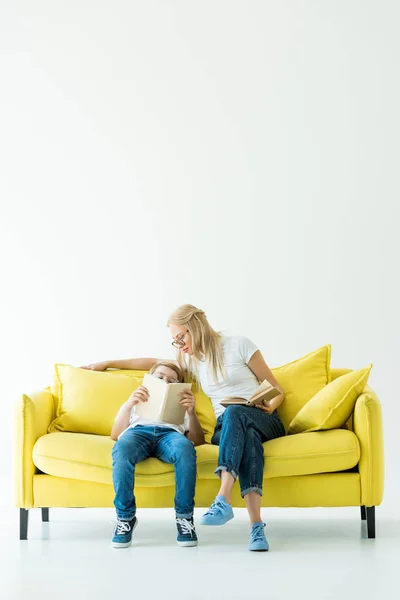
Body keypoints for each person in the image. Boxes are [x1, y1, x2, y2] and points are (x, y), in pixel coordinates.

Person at [166, 304, 286, 552]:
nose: (180, 345)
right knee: (243, 432)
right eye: (175, 341)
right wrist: (107, 363)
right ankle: (256, 529)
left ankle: (223, 497)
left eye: (181, 337)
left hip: (263, 418)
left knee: (237, 414)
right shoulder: (193, 362)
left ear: (195, 326)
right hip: (227, 428)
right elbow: (153, 362)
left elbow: (278, 389)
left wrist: (271, 406)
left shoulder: (239, 344)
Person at [82, 359, 204, 549]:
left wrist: (192, 412)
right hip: (138, 432)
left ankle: (184, 518)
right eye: (160, 377)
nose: (165, 381)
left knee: (185, 449)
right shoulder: (134, 401)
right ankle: (125, 518)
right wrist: (130, 404)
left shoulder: (182, 404)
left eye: (171, 381)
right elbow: (115, 435)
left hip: (170, 434)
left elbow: (197, 441)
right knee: (122, 449)